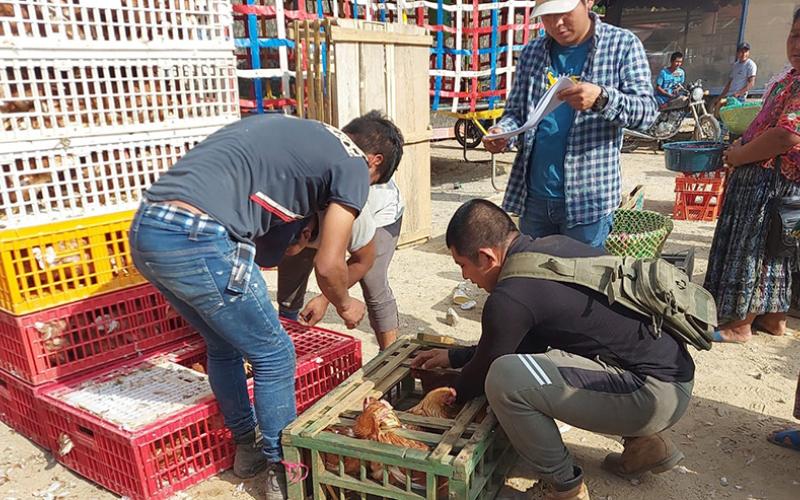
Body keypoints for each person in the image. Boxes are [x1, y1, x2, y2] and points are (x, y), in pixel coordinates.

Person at [128, 111, 404, 499]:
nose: (363, 193)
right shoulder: (353, 162)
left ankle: (247, 450)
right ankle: (285, 474)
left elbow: (269, 251)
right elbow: (328, 264)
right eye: (373, 183)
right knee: (275, 355)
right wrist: (343, 303)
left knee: (224, 343)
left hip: (148, 231)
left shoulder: (301, 135)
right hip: (200, 235)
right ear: (374, 161)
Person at [412, 199, 695, 500]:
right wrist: (456, 356)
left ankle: (564, 487)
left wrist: (445, 392)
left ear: (485, 257)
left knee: (505, 380)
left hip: (652, 393)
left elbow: (487, 370)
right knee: (536, 365)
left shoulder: (510, 296)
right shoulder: (553, 248)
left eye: (463, 266)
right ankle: (646, 446)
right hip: (669, 379)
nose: (466, 277)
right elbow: (514, 346)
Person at [483, 0, 658, 248]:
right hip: (534, 197)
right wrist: (503, 132)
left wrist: (602, 98)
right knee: (536, 279)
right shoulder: (533, 52)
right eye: (547, 16)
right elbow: (515, 112)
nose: (556, 23)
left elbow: (648, 113)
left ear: (588, 2)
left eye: (563, 12)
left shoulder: (622, 45)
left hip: (588, 200)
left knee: (581, 281)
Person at [703, 12, 800, 343]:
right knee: (776, 252)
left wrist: (741, 155)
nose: (796, 44)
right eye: (794, 34)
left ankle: (739, 324)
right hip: (773, 182)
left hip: (769, 183)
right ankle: (774, 319)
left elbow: (786, 136)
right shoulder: (791, 78)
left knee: (753, 252)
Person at [274, 180, 404, 351]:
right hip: (315, 214)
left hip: (378, 210)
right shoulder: (279, 200)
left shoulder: (346, 208)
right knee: (291, 268)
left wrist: (326, 299)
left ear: (306, 234)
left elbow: (361, 260)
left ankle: (389, 357)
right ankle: (288, 338)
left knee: (372, 280)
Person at [714, 42, 757, 114]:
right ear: (737, 53)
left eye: (746, 52)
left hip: (738, 99)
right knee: (718, 114)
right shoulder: (735, 65)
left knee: (732, 119)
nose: (744, 54)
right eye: (741, 52)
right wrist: (720, 96)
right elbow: (730, 83)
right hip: (729, 96)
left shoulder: (750, 65)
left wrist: (738, 94)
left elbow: (751, 83)